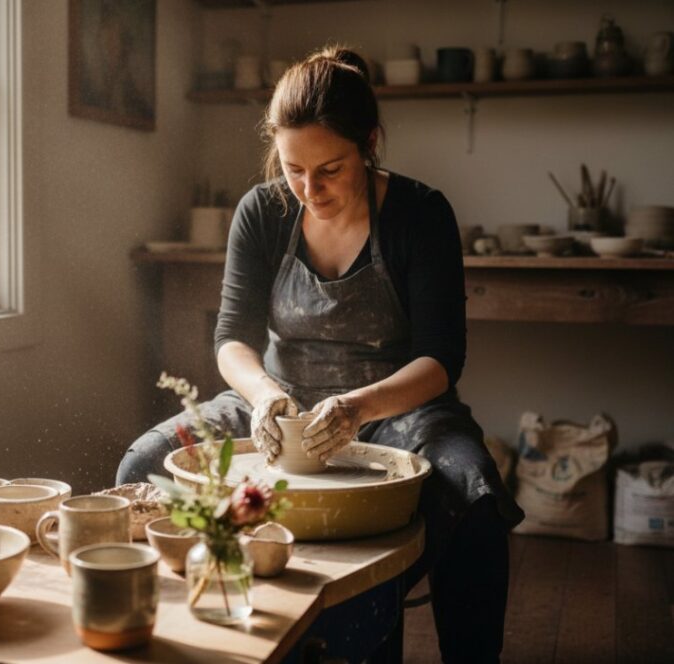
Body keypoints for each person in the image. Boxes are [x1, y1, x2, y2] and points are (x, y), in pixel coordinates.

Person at [117, 45, 523, 663]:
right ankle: (190, 642)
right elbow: (231, 339)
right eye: (293, 169)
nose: (310, 189)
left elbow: (443, 358)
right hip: (274, 401)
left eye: (330, 168)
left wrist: (357, 408)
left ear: (370, 143)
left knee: (476, 502)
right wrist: (262, 396)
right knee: (141, 469)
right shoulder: (262, 211)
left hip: (397, 407)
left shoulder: (420, 213)